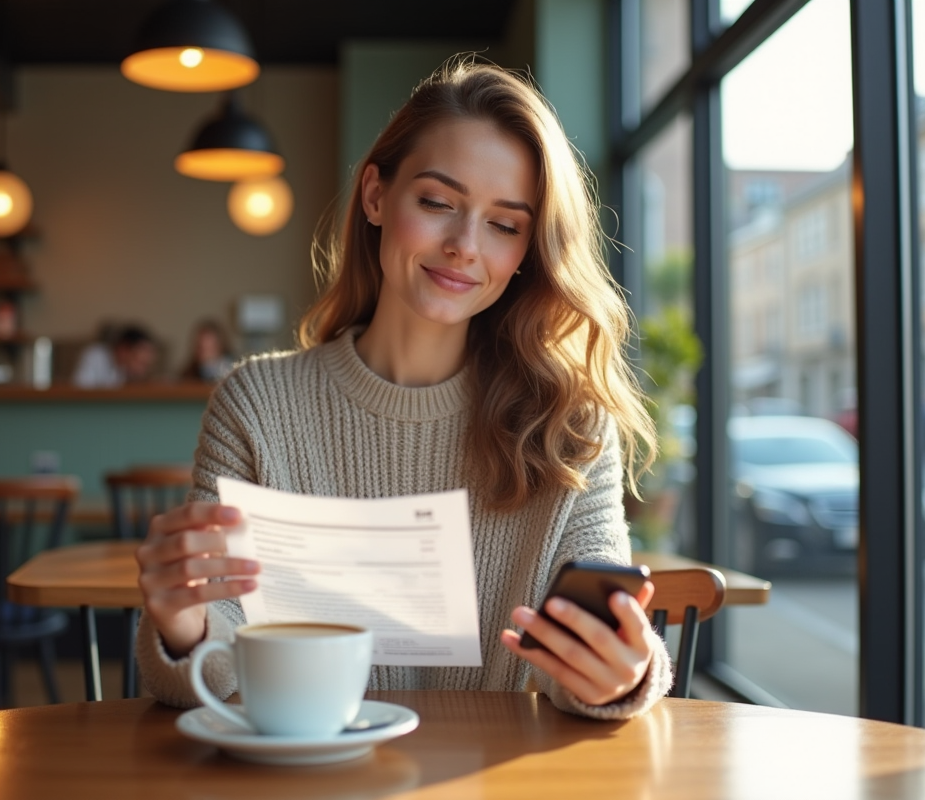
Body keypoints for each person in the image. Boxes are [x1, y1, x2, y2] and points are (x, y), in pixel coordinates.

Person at [134, 58, 671, 720]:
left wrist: (621, 675)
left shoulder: (570, 423)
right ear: (376, 197)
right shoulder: (256, 405)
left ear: (529, 250)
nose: (464, 246)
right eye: (438, 203)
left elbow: (589, 665)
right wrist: (180, 627)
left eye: (505, 225)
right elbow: (214, 666)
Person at [72, 324, 158, 388]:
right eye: (140, 363)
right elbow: (80, 390)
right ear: (123, 350)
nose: (142, 370)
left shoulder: (122, 370)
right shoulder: (94, 355)